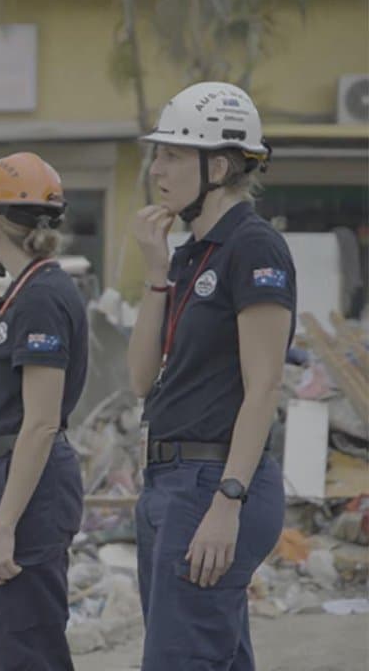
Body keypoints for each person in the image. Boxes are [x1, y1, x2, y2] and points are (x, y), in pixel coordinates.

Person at [127, 81, 293, 670]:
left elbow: (264, 385)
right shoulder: (190, 255)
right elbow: (143, 379)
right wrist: (154, 274)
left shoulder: (255, 249)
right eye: (157, 153)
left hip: (214, 482)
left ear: (218, 166)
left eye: (172, 154)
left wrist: (228, 501)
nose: (156, 168)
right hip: (169, 483)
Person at [0, 152, 87, 671]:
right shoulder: (22, 293)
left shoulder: (43, 297)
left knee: (24, 650)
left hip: (24, 482)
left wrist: (4, 525)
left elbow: (40, 421)